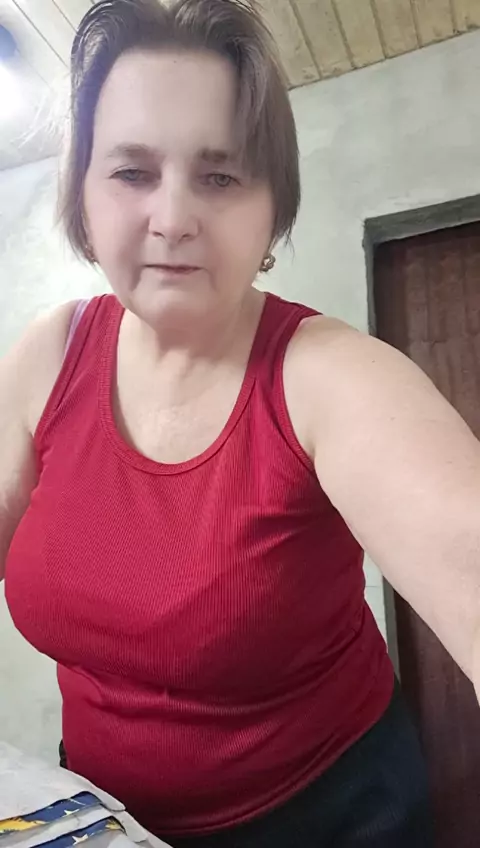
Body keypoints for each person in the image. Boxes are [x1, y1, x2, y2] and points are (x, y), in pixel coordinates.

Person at [1, 0, 479, 844]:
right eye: (132, 172)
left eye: (220, 177)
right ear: (84, 196)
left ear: (272, 211)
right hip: (106, 815)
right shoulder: (50, 352)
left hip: (329, 818)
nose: (173, 217)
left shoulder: (331, 377)